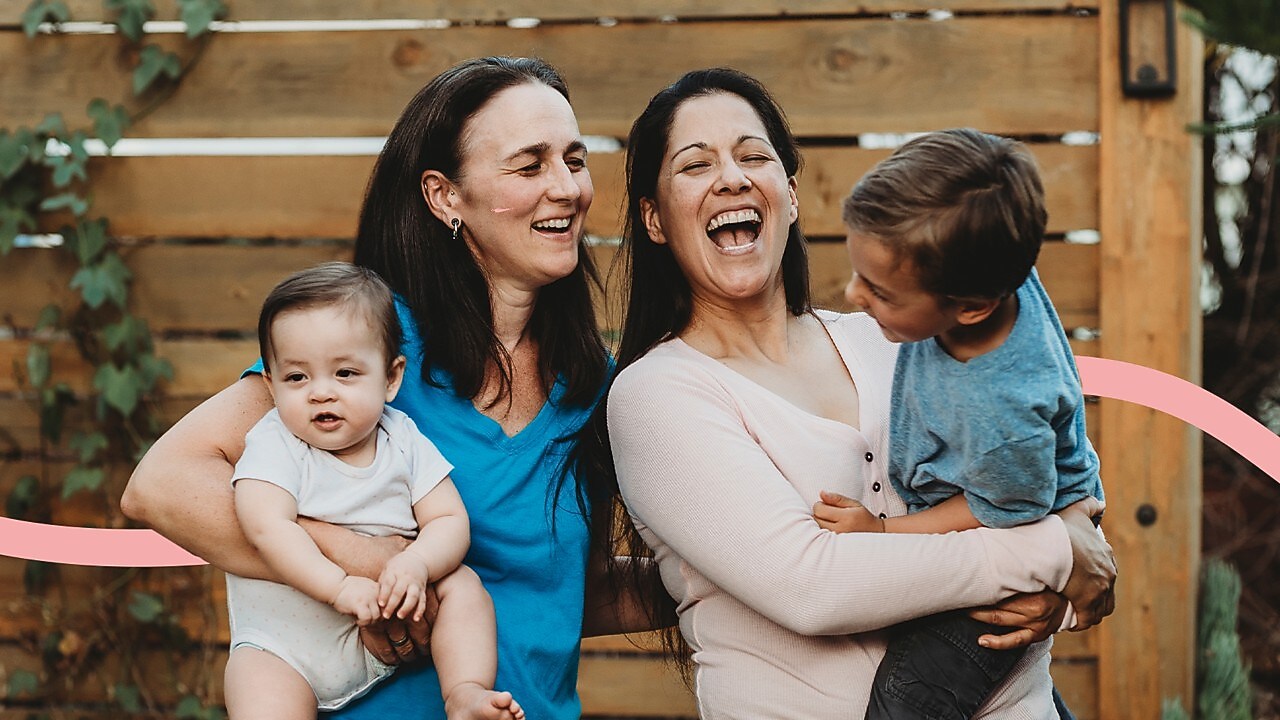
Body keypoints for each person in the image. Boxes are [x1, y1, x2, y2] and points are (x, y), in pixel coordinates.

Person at [572, 68, 1116, 719]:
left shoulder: (897, 337)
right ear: (654, 219)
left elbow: (1036, 446)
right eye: (696, 165)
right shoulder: (656, 396)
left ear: (791, 195)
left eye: (753, 156)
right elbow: (814, 588)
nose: (732, 177)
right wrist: (1054, 551)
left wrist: (1067, 559)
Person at [123, 57, 646, 720]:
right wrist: (366, 564)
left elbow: (574, 590)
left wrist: (743, 575)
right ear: (444, 196)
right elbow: (162, 486)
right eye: (529, 165)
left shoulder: (596, 384)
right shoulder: (369, 348)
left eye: (574, 160)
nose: (567, 188)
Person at [811, 128, 1105, 720]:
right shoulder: (991, 262)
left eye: (881, 292)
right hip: (1006, 499)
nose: (852, 293)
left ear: (972, 307)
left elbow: (1006, 514)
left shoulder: (1001, 408)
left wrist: (883, 530)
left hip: (1015, 530)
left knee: (909, 700)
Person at [225, 262, 522, 719]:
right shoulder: (275, 443)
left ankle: (464, 691)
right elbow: (266, 526)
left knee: (462, 585)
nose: (320, 393)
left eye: (345, 373)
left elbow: (448, 519)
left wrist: (417, 562)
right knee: (257, 685)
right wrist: (338, 586)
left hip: (374, 635)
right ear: (271, 383)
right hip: (280, 648)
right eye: (297, 377)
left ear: (391, 378)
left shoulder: (403, 439)